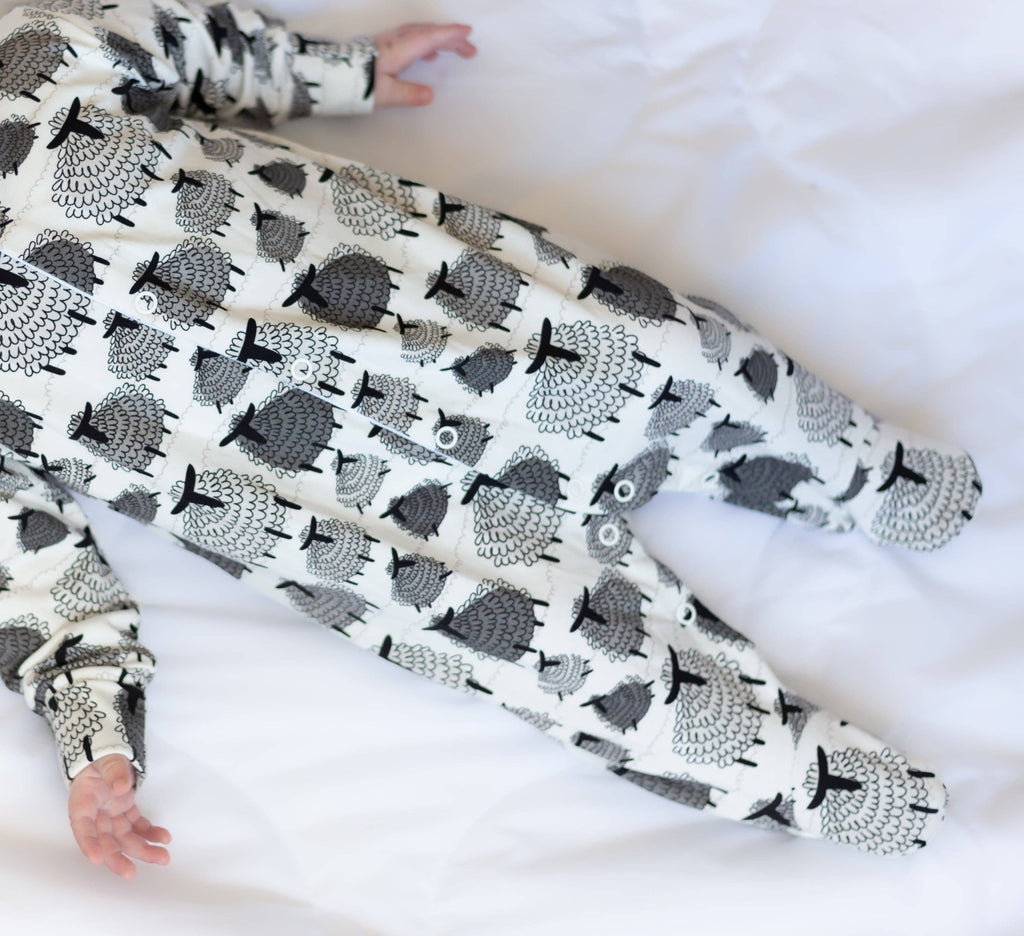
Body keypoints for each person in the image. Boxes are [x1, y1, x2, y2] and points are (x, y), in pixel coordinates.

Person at [0, 0, 981, 881]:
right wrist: (95, 734)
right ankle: (840, 791)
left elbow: (183, 43)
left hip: (441, 313)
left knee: (678, 356)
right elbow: (28, 565)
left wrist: (342, 73)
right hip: (333, 512)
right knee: (567, 656)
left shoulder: (25, 58)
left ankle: (884, 480)